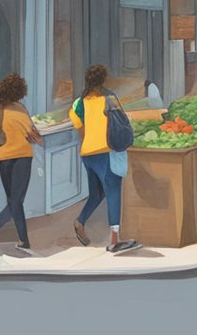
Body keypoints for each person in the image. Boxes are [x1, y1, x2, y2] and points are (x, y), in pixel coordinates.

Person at [69, 64, 140, 254]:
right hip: (106, 151)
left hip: (87, 155)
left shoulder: (78, 103)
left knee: (97, 194)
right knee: (113, 192)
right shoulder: (110, 98)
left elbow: (80, 129)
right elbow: (121, 122)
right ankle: (114, 241)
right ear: (103, 80)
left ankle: (80, 221)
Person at [0, 73, 42, 255]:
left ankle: (19, 240)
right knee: (15, 201)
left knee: (14, 201)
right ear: (18, 92)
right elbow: (33, 135)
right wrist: (34, 138)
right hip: (23, 156)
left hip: (4, 157)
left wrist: (6, 142)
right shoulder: (21, 108)